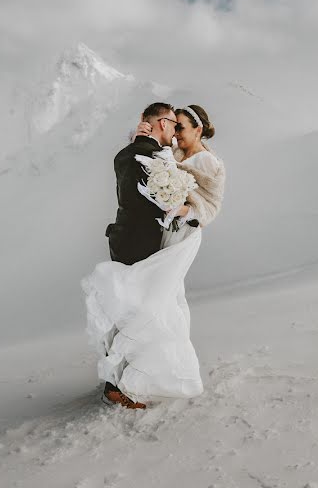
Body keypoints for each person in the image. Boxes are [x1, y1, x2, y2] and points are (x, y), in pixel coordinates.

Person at [82, 103, 225, 409]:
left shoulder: (146, 154)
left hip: (158, 239)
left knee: (146, 309)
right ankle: (122, 385)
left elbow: (205, 204)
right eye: (173, 125)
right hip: (145, 242)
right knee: (141, 311)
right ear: (163, 123)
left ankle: (131, 381)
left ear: (196, 130)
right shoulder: (153, 155)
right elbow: (157, 189)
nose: (175, 133)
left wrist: (182, 208)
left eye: (180, 127)